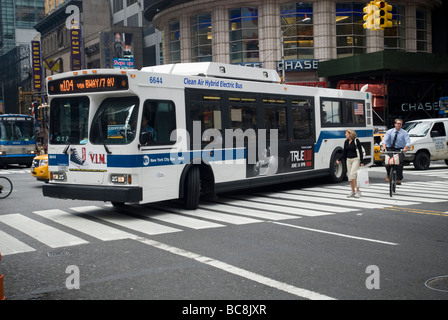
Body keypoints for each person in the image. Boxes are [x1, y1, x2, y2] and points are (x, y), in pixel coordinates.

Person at [381, 118, 411, 185]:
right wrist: (384, 148)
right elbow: (384, 141)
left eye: (400, 124)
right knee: (387, 163)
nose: (399, 125)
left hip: (399, 149)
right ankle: (388, 174)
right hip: (390, 149)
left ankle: (399, 178)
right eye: (398, 124)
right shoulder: (389, 132)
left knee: (399, 163)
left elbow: (408, 142)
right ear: (395, 124)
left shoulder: (404, 133)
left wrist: (405, 148)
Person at [336, 129, 365, 198]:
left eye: (346, 133)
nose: (345, 135)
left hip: (355, 159)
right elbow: (344, 152)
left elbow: (360, 151)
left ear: (350, 134)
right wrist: (339, 159)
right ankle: (353, 192)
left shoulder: (356, 141)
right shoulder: (346, 142)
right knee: (350, 176)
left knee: (353, 175)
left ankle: (358, 192)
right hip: (348, 160)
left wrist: (362, 161)